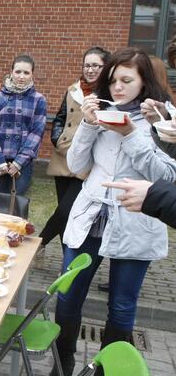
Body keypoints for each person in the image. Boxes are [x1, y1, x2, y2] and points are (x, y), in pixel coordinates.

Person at [43, 48, 176, 376]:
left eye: (126, 80)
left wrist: (133, 133)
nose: (117, 87)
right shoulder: (99, 112)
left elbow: (165, 177)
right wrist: (87, 124)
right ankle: (63, 363)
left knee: (121, 308)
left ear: (144, 82)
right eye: (113, 79)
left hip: (137, 218)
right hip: (91, 214)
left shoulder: (162, 120)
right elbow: (76, 164)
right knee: (68, 297)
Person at [39, 47, 111, 259]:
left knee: (67, 212)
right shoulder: (74, 89)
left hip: (89, 162)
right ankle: (67, 261)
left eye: (96, 65)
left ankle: (38, 244)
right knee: (65, 212)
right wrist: (58, 140)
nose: (90, 70)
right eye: (87, 65)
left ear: (105, 67)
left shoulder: (109, 95)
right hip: (64, 157)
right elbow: (60, 117)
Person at [0, 54, 47, 196]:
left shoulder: (38, 100)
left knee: (15, 207)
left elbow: (37, 133)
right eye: (18, 72)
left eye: (26, 72)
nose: (21, 76)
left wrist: (19, 162)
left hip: (22, 163)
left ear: (32, 75)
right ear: (11, 72)